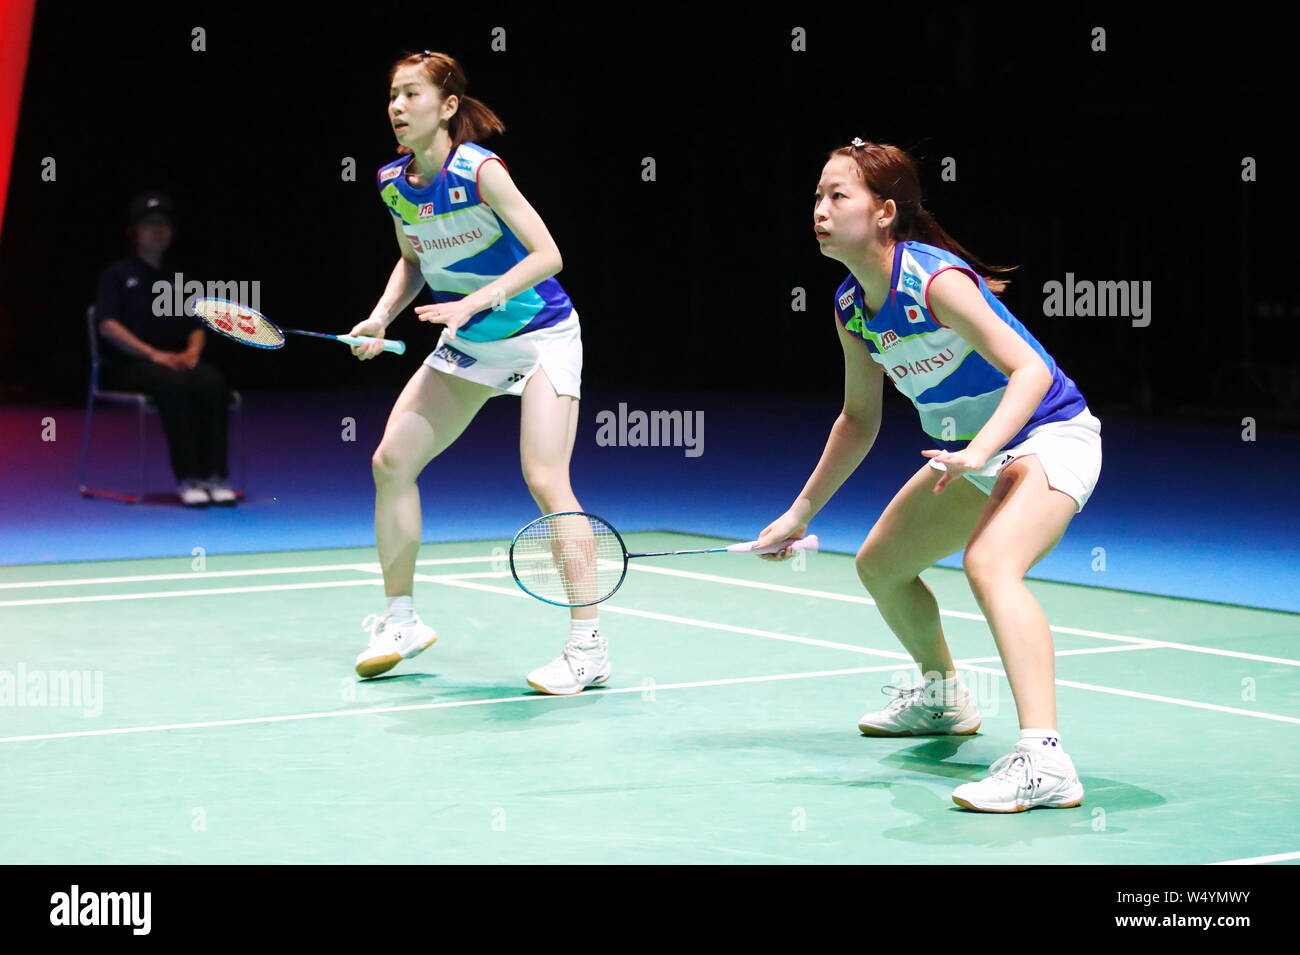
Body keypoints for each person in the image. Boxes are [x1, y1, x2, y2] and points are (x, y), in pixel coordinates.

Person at [755, 138, 1102, 813]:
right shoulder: (852, 305)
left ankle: (1046, 758)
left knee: (991, 565)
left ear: (885, 211)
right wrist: (800, 514)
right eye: (816, 197)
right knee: (881, 563)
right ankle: (944, 698)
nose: (819, 210)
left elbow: (1030, 370)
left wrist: (980, 452)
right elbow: (858, 419)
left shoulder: (934, 280)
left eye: (838, 195)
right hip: (973, 456)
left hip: (1048, 435)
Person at [348, 51, 603, 694]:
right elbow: (412, 258)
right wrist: (380, 318)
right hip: (472, 342)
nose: (398, 108)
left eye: (412, 95)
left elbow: (550, 255)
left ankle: (588, 645)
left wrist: (471, 301)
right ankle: (400, 620)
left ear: (449, 106)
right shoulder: (392, 182)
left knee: (546, 478)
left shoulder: (479, 171)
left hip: (539, 334)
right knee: (391, 462)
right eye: (393, 96)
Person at [93, 193, 236, 506]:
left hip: (178, 360)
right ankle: (189, 479)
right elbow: (107, 326)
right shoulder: (116, 275)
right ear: (134, 232)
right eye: (149, 224)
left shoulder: (177, 277)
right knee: (173, 385)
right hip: (132, 365)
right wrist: (153, 354)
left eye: (163, 224)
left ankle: (215, 476)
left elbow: (197, 324)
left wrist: (192, 353)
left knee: (212, 381)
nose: (157, 231)